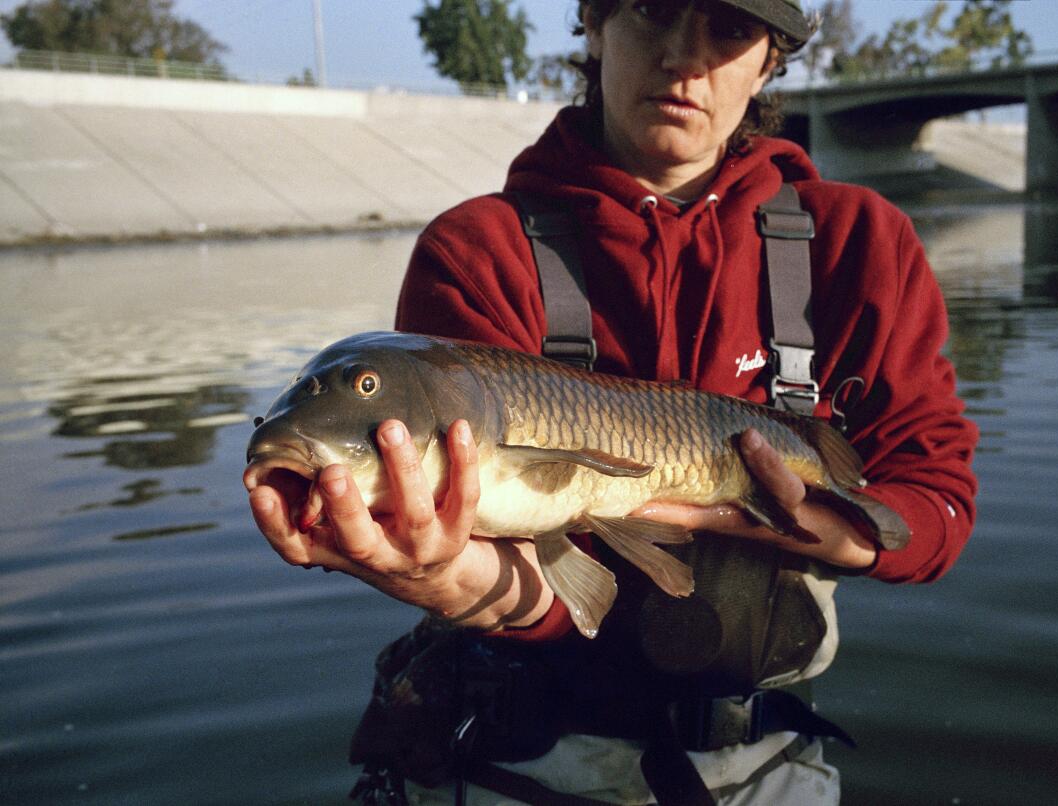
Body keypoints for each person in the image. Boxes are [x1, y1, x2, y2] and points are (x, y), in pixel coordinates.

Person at [247, 0, 979, 802]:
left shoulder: (860, 244)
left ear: (771, 59)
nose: (685, 59)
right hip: (522, 764)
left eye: (730, 29)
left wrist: (847, 533)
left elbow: (934, 497)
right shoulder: (476, 252)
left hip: (768, 763)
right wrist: (449, 576)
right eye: (655, 12)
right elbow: (520, 578)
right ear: (593, 22)